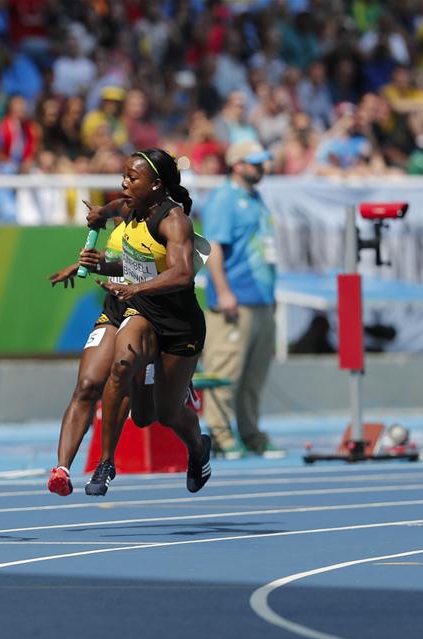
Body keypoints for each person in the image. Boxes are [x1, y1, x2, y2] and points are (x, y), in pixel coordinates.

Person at [86, 149, 211, 496]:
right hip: (142, 312)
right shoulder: (130, 206)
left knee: (162, 415)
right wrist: (99, 214)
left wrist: (135, 287)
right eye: (123, 176)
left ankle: (198, 447)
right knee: (120, 365)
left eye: (132, 178)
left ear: (156, 184)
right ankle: (106, 462)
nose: (124, 183)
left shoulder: (174, 221)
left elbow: (183, 274)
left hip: (179, 325)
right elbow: (115, 207)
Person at [45, 204, 157, 496]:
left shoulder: (165, 219)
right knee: (87, 385)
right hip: (115, 310)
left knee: (145, 415)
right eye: (125, 184)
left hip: (148, 314)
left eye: (132, 184)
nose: (127, 189)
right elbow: (114, 238)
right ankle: (62, 469)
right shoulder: (120, 210)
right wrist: (89, 260)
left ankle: (173, 378)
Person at [201, 140, 285, 459]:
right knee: (225, 371)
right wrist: (223, 291)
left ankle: (250, 433)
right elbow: (214, 247)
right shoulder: (224, 198)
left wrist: (271, 295)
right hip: (235, 298)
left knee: (253, 377)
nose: (262, 167)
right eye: (255, 162)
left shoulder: (256, 198)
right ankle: (220, 434)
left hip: (260, 299)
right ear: (237, 165)